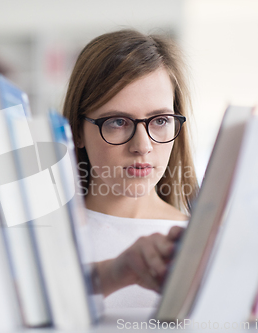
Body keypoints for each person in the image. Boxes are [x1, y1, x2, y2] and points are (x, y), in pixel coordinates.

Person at [62, 29, 199, 309]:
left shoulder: (202, 244)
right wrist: (113, 274)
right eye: (117, 122)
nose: (142, 146)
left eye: (160, 120)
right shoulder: (43, 235)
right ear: (77, 131)